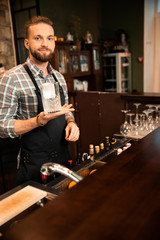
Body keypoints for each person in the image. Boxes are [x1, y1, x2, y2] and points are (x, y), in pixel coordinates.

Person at [0, 16, 80, 184]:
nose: (45, 43)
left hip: (64, 162)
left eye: (49, 38)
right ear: (27, 43)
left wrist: (72, 123)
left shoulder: (58, 77)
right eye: (38, 38)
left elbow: (65, 112)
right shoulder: (11, 78)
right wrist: (37, 121)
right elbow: (2, 126)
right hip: (34, 167)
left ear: (54, 42)